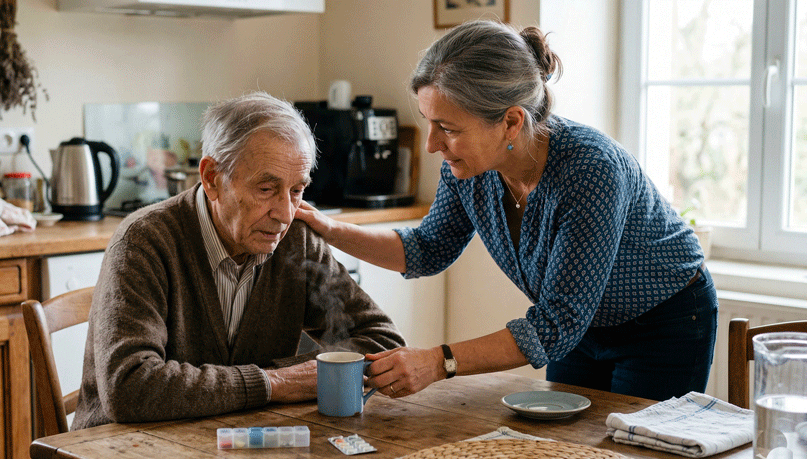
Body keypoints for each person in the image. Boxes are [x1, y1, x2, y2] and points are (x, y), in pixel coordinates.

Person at [296, 20, 718, 402]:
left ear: (512, 122)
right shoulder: (469, 169)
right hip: (579, 330)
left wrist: (437, 362)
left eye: (448, 128)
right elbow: (425, 249)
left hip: (665, 323)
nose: (431, 145)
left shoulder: (591, 171)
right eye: (428, 121)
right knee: (568, 455)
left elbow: (554, 326)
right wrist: (327, 228)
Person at [72, 92, 405, 430]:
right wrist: (274, 383)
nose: (285, 214)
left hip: (237, 447)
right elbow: (130, 387)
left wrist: (279, 378)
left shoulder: (296, 240)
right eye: (266, 189)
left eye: (296, 190)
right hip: (123, 457)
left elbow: (383, 341)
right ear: (212, 178)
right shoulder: (143, 242)